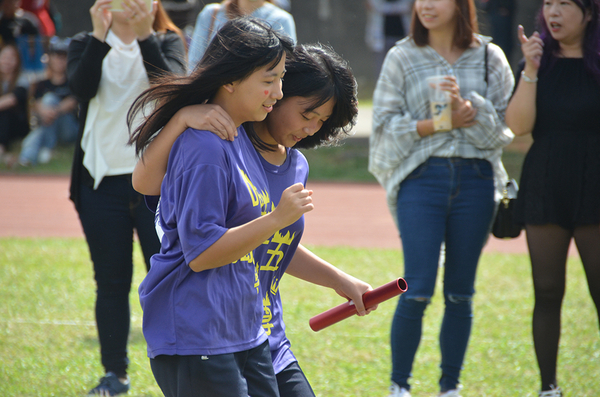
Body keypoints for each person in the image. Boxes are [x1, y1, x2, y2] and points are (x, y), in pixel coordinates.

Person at [130, 42, 374, 397]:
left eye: (322, 121)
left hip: (261, 333)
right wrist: (182, 119)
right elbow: (196, 239)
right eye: (307, 114)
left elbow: (272, 243)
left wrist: (339, 279)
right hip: (207, 331)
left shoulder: (296, 165)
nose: (311, 128)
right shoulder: (219, 139)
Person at [368, 0, 514, 396]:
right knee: (415, 286)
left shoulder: (489, 55)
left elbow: (503, 132)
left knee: (460, 292)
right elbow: (381, 128)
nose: (426, 5)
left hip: (477, 179)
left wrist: (470, 110)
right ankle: (400, 386)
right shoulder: (402, 56)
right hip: (422, 179)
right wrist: (437, 123)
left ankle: (450, 387)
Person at [66, 0, 186, 395]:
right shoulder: (86, 42)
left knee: (167, 278)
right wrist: (99, 36)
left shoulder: (167, 41)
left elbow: (173, 88)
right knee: (111, 282)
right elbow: (80, 88)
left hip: (155, 184)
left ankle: (180, 369)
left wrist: (146, 36)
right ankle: (114, 374)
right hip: (99, 184)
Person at [504, 1, 600, 396]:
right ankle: (549, 387)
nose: (553, 12)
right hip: (545, 180)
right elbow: (518, 126)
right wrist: (530, 69)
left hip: (594, 181)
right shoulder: (537, 59)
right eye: (548, 4)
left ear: (589, 12)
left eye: (564, 3)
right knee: (546, 290)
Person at [18, 36, 77, 166]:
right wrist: (44, 111)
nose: (59, 60)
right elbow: (36, 104)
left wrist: (51, 111)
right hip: (47, 123)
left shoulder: (72, 82)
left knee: (50, 100)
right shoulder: (41, 84)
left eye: (63, 56)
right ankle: (28, 158)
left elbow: (72, 102)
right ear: (49, 58)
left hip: (68, 129)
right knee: (44, 119)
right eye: (56, 55)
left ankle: (39, 150)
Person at [187, 0, 296, 70]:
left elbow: (284, 68)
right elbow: (194, 64)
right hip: (210, 96)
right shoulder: (211, 13)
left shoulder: (281, 19)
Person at [364, 0, 413, 78]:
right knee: (382, 72)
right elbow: (374, 6)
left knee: (404, 72)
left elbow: (408, 6)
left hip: (403, 38)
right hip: (380, 40)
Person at [0, 43, 29, 159]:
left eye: (11, 58)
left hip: (17, 123)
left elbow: (12, 100)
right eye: (4, 57)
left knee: (4, 112)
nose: (7, 61)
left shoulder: (22, 80)